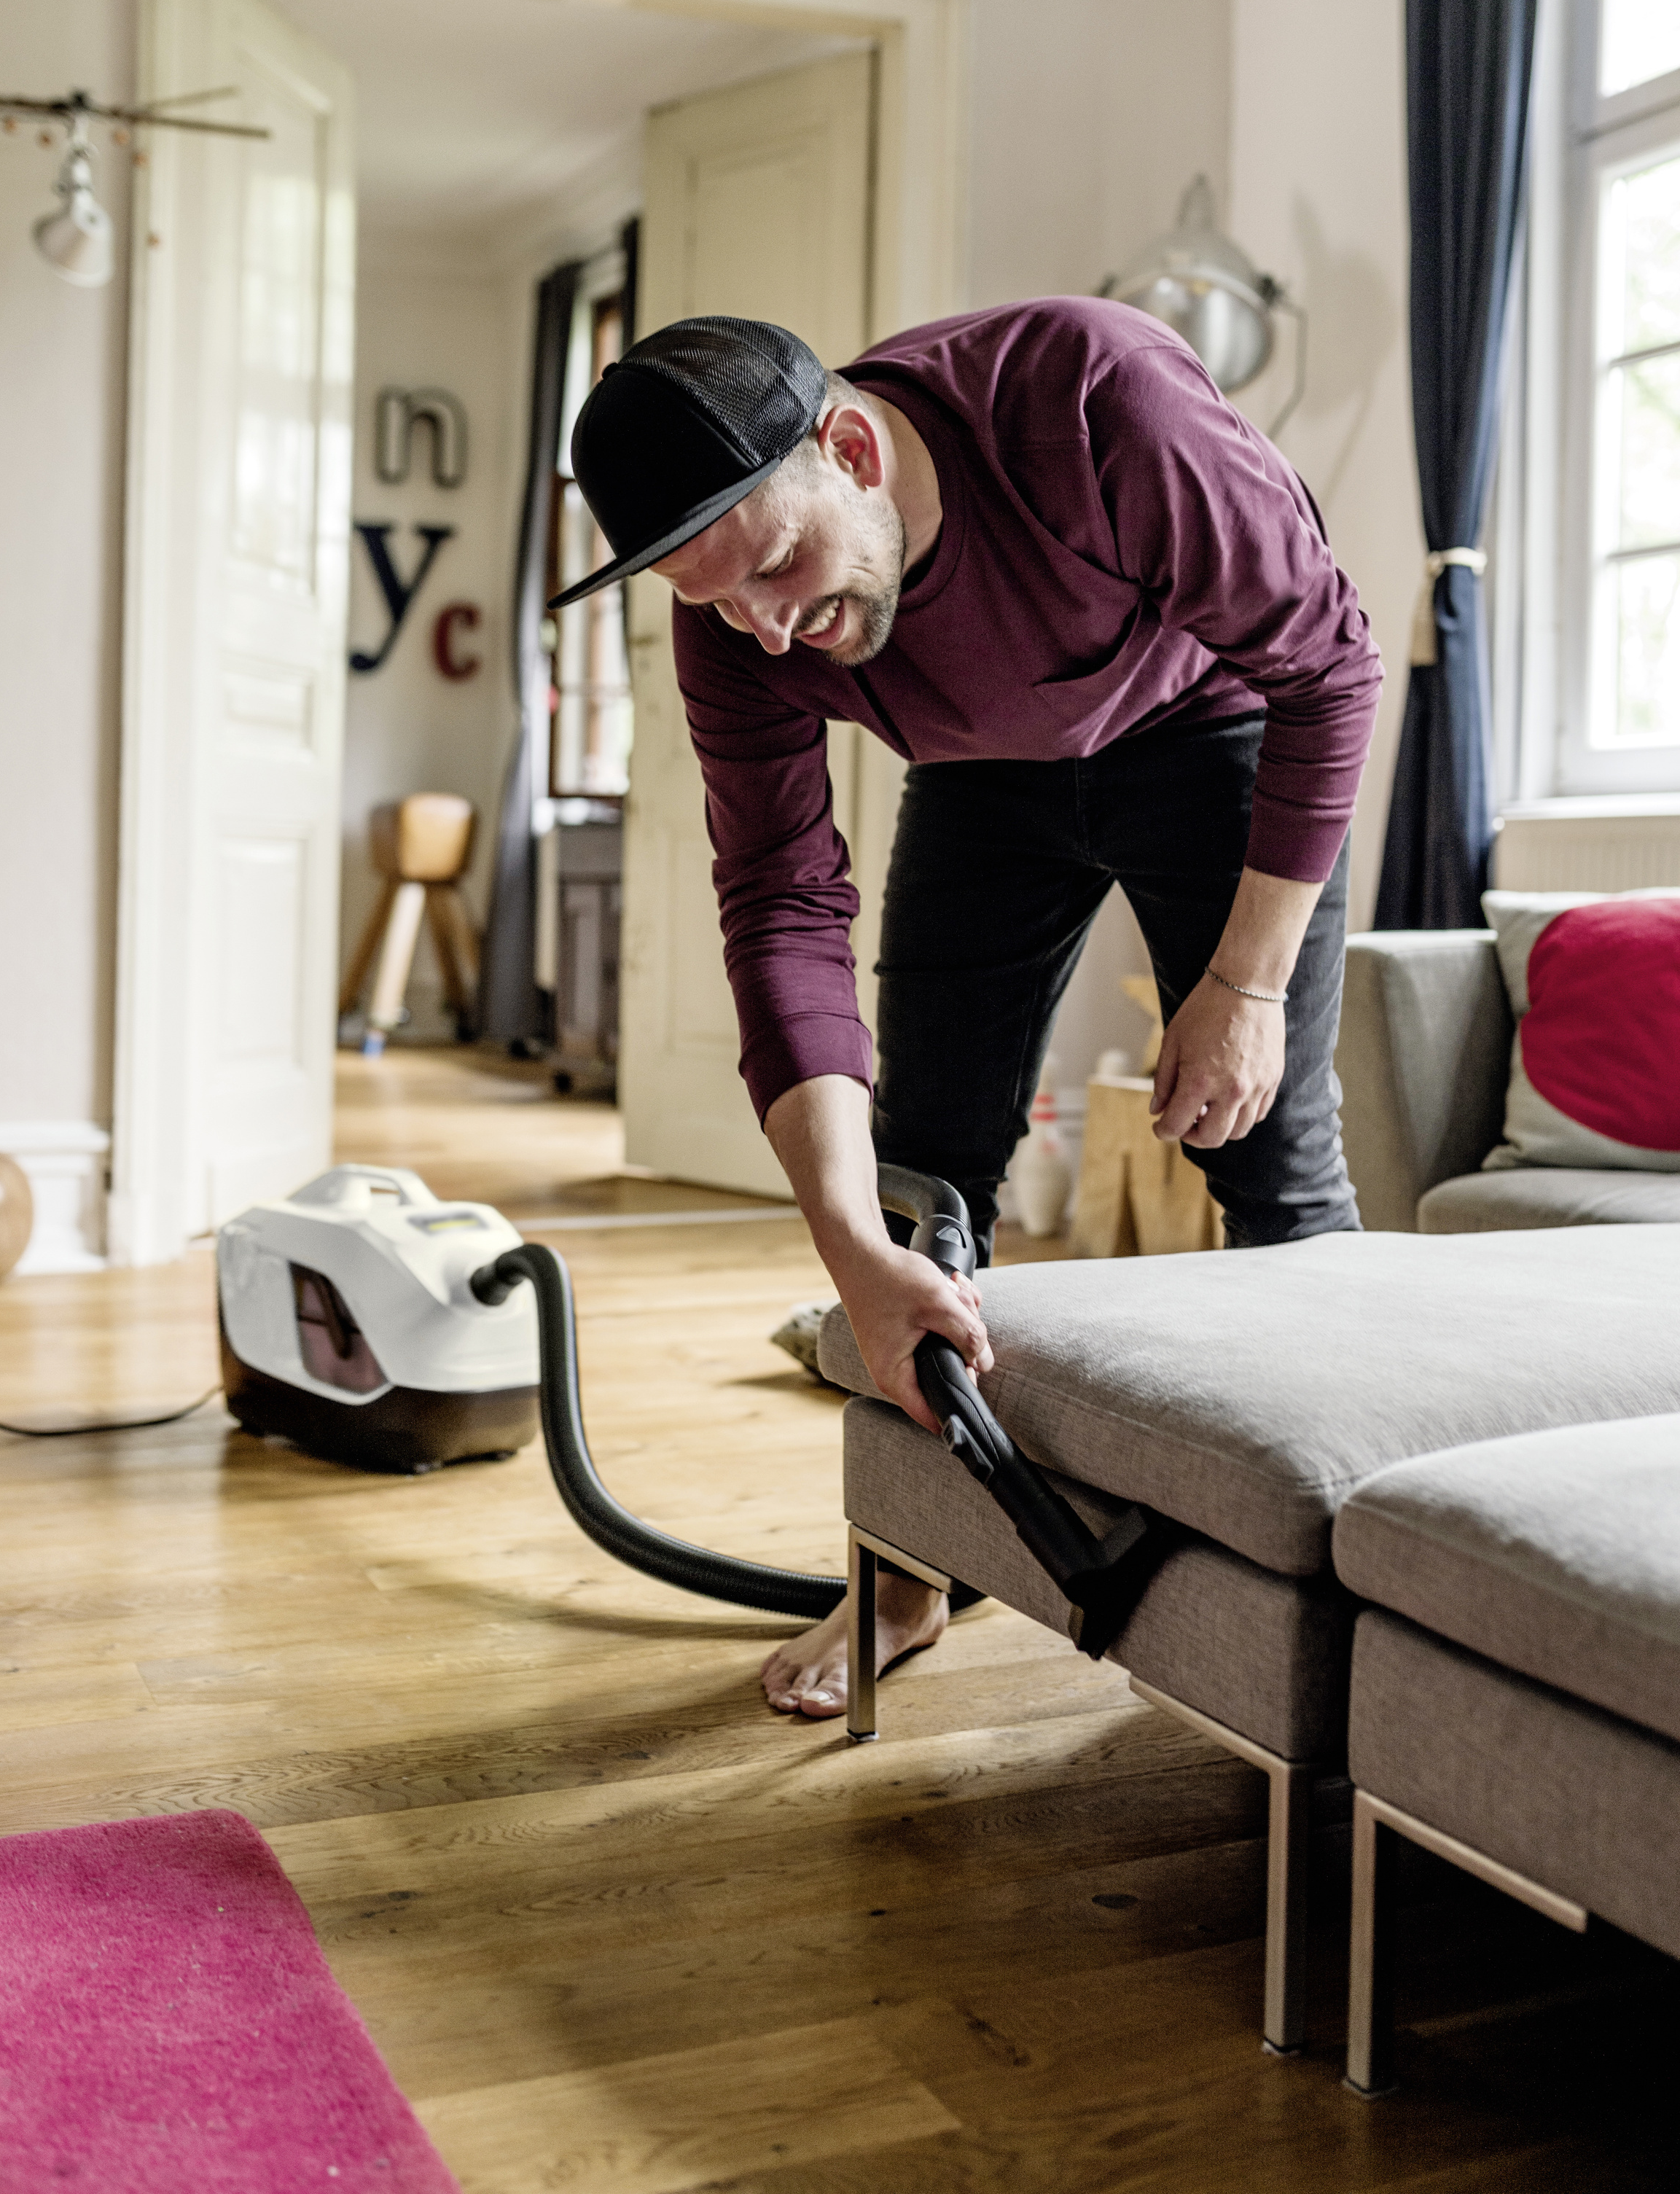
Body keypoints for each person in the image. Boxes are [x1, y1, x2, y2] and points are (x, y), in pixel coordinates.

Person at [550, 301, 1382, 1718]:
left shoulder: (1101, 403)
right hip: (983, 776)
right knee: (921, 1176)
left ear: (852, 448)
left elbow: (1330, 667)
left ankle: (1349, 1597)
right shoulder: (738, 619)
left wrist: (1244, 985)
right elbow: (780, 899)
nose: (766, 632)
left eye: (780, 570)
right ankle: (909, 1567)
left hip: (1213, 724)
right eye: (718, 603)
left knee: (1273, 1168)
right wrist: (851, 1249)